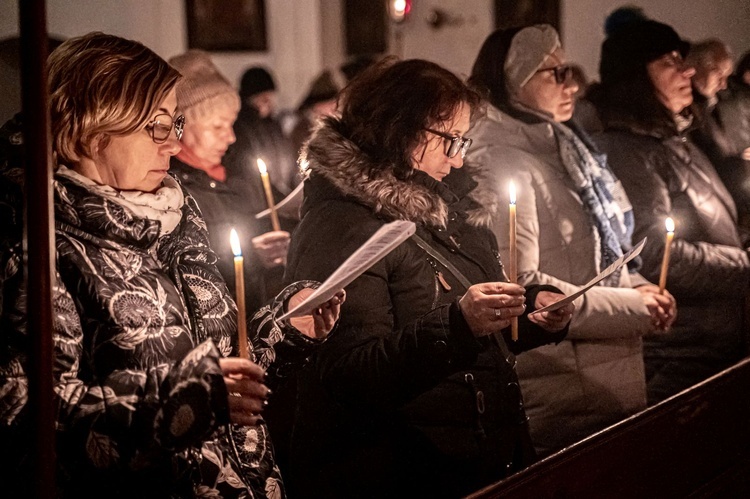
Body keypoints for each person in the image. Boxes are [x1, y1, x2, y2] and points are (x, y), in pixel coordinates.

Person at [0, 32, 343, 497]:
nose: (170, 145)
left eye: (176, 124)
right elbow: (29, 419)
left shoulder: (175, 214)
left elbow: (221, 365)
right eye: (157, 126)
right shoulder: (37, 239)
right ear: (92, 129)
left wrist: (285, 327)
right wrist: (183, 404)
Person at [284, 57, 575, 498]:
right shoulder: (342, 225)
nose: (458, 161)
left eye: (464, 141)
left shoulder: (450, 208)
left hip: (480, 454)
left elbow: (475, 325)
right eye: (449, 141)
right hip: (404, 470)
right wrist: (461, 324)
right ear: (399, 130)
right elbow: (348, 373)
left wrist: (530, 310)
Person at [466, 25, 676, 455]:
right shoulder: (499, 163)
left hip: (605, 368)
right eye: (555, 73)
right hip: (565, 381)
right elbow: (523, 286)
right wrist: (632, 307)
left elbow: (597, 250)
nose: (572, 84)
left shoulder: (566, 146)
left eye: (569, 70)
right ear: (514, 81)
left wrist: (637, 285)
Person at [592, 20, 750, 404]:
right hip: (679, 353)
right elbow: (655, 253)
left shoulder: (675, 140)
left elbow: (716, 229)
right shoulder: (627, 152)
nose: (688, 71)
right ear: (636, 77)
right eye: (670, 61)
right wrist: (745, 266)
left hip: (714, 345)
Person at [168, 50, 290, 314]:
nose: (231, 137)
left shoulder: (236, 179)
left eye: (232, 125)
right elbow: (181, 270)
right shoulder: (170, 190)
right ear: (182, 126)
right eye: (218, 126)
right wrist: (249, 257)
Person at [685, 39, 750, 231]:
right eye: (718, 74)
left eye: (727, 76)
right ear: (694, 67)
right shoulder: (687, 110)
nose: (723, 84)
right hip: (712, 208)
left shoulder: (723, 100)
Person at [224, 67, 300, 227]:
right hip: (259, 202)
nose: (268, 103)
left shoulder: (273, 125)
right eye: (262, 98)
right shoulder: (242, 127)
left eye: (269, 98)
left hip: (281, 193)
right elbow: (246, 167)